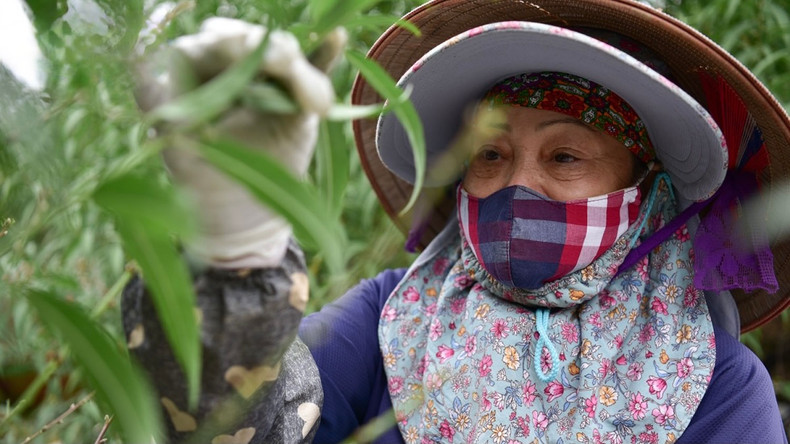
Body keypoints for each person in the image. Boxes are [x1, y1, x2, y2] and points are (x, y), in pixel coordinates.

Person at [123, 0, 790, 443]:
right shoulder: (389, 322)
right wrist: (238, 236)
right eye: (490, 154)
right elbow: (236, 427)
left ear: (644, 192)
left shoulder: (712, 382)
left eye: (565, 156)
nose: (518, 184)